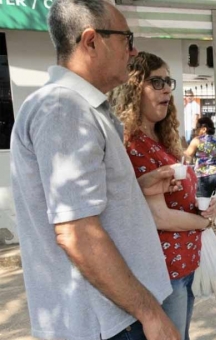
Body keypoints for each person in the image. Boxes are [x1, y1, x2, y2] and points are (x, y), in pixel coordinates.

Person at [9, 1, 181, 339]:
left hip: (116, 314)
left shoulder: (77, 107)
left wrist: (134, 187)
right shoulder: (64, 109)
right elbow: (77, 234)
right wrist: (150, 313)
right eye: (126, 39)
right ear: (91, 41)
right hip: (111, 320)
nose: (132, 52)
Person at [111, 51, 216, 340]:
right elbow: (159, 216)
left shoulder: (163, 139)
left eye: (167, 81)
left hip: (183, 265)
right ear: (133, 89)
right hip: (163, 273)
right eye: (155, 82)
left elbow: (176, 199)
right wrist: (206, 223)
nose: (167, 88)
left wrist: (204, 208)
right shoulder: (133, 144)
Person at [185, 116, 216, 198]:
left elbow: (187, 155)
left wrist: (181, 147)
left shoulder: (197, 140)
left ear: (204, 129)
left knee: (205, 202)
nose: (196, 130)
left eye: (197, 128)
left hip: (204, 176)